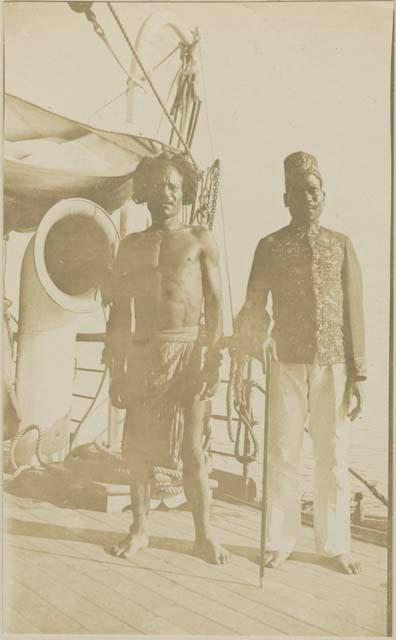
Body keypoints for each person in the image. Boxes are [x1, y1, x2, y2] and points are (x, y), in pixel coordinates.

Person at [235, 151, 366, 574]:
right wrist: (253, 346)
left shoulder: (341, 245)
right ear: (285, 198)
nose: (308, 197)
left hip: (335, 366)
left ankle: (335, 546)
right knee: (283, 452)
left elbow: (354, 312)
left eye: (314, 190)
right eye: (299, 191)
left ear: (324, 196)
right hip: (286, 361)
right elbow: (254, 304)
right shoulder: (269, 246)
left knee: (332, 453)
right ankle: (278, 541)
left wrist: (358, 373)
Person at [106, 151, 229, 564]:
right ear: (146, 192)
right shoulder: (132, 246)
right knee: (137, 446)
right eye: (158, 186)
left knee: (192, 449)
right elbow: (121, 313)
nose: (166, 194)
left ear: (185, 191)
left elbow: (215, 306)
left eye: (174, 186)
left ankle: (204, 534)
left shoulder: (200, 240)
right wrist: (116, 369)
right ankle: (139, 529)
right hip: (142, 351)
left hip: (189, 352)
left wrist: (213, 361)